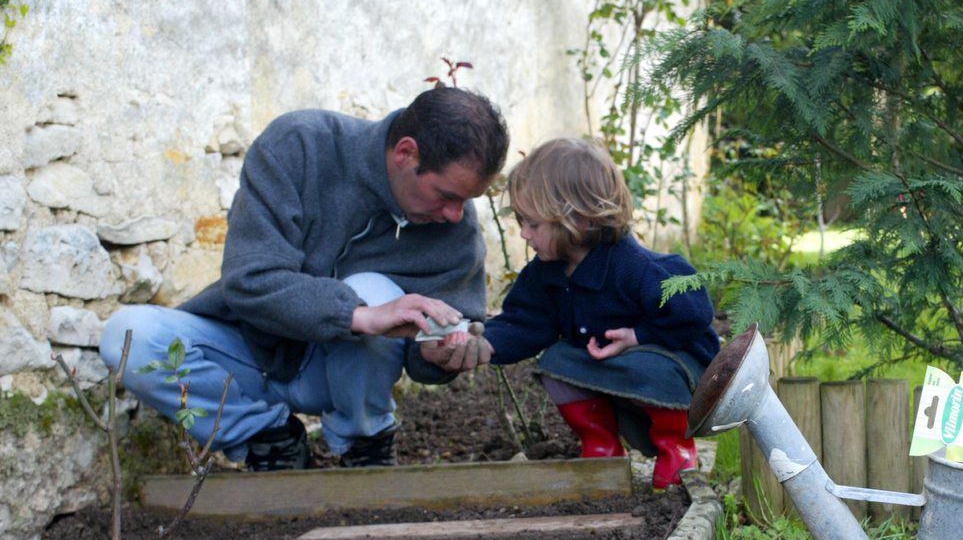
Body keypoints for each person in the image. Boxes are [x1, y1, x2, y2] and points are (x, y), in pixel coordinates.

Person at [100, 87, 506, 470]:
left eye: (465, 201)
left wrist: (437, 352)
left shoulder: (455, 226)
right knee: (127, 337)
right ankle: (268, 436)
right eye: (447, 195)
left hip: (338, 378)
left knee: (374, 289)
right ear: (405, 153)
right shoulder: (300, 145)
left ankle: (364, 441)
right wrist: (362, 315)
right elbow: (248, 279)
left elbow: (445, 334)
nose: (455, 214)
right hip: (249, 354)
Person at [476, 137, 720, 489]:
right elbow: (526, 323)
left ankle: (677, 450)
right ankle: (601, 444)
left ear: (580, 218)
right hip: (614, 374)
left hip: (677, 377)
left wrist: (639, 336)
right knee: (558, 360)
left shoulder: (637, 268)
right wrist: (484, 343)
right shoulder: (547, 273)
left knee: (653, 367)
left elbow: (694, 311)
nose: (524, 233)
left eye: (533, 224)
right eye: (520, 221)